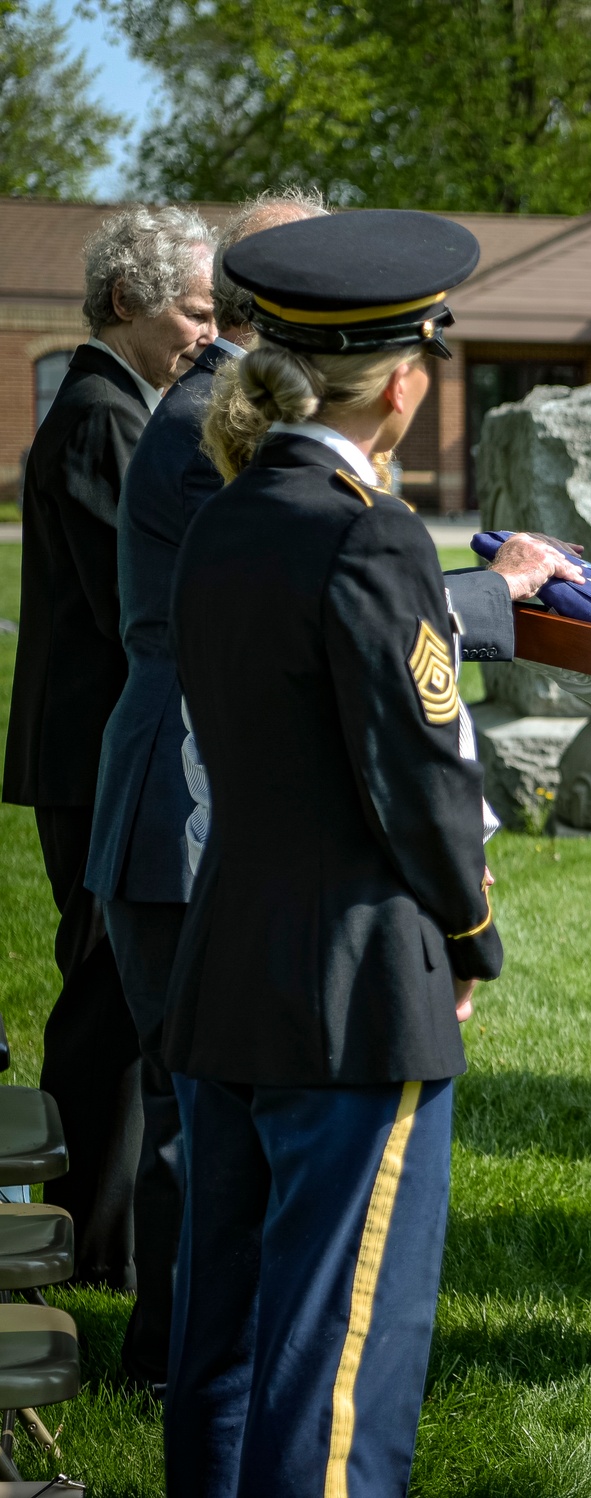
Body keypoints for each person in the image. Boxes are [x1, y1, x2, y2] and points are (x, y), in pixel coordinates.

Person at [162, 209, 508, 1497]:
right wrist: (471, 936)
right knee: (340, 1372)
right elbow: (417, 782)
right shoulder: (367, 534)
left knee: (231, 1346)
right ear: (405, 384)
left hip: (228, 971)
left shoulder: (227, 517)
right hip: (355, 995)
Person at [83, 189, 329, 1392]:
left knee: (207, 1107)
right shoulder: (212, 420)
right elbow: (318, 589)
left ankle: (190, 1358)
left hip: (195, 804)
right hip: (176, 815)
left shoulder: (232, 405)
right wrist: (496, 607)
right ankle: (178, 1366)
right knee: (193, 1114)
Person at [1, 207, 216, 1289]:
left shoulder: (124, 405)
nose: (208, 334)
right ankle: (86, 1247)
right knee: (101, 1008)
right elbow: (135, 599)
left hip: (92, 750)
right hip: (94, 759)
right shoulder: (101, 417)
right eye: (193, 309)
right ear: (125, 303)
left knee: (115, 1005)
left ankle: (94, 1239)